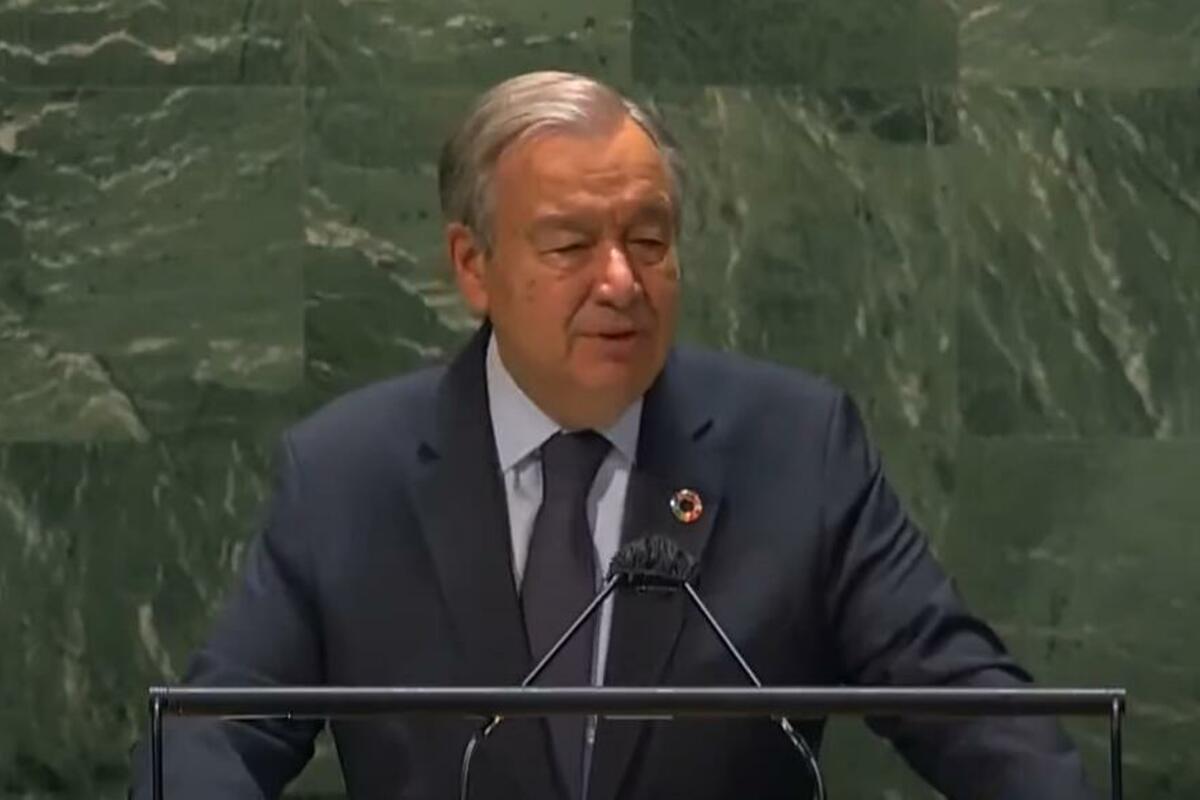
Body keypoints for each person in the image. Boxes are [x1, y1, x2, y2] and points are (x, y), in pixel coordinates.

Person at [133, 71, 1096, 800]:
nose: (622, 282)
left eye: (648, 240)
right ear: (473, 265)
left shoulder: (797, 450)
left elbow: (969, 706)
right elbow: (216, 736)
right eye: (570, 245)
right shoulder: (349, 474)